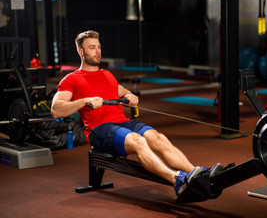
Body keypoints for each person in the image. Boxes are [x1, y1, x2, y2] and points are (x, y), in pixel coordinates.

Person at [51, 30, 222, 196]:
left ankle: (197, 174)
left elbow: (121, 91)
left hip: (123, 122)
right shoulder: (71, 79)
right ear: (81, 51)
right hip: (100, 129)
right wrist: (84, 101)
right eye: (92, 48)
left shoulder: (107, 75)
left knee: (158, 138)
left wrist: (129, 95)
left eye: (99, 47)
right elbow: (56, 109)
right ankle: (177, 180)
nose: (98, 51)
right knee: (138, 141)